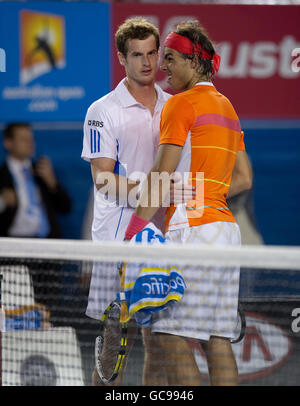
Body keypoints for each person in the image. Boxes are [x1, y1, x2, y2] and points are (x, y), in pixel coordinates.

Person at [124, 20, 253, 386]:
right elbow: (244, 178)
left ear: (194, 61)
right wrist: (205, 190)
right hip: (226, 232)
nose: (163, 66)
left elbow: (161, 175)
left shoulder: (180, 105)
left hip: (193, 230)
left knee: (168, 335)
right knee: (218, 336)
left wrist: (133, 234)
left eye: (170, 58)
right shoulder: (228, 107)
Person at [81, 17, 193, 386]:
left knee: (158, 339)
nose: (146, 62)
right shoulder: (102, 110)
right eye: (136, 55)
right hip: (118, 238)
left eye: (151, 53)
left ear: (159, 54)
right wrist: (151, 191)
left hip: (164, 235)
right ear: (121, 58)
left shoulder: (174, 106)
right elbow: (102, 178)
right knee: (114, 343)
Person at [0, 122, 72, 320]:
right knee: (18, 311)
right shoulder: (1, 177)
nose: (29, 144)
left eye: (31, 139)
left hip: (46, 252)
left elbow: (66, 207)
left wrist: (52, 183)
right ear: (8, 143)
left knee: (51, 311)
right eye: (23, 139)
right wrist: (2, 203)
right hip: (14, 255)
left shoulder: (41, 172)